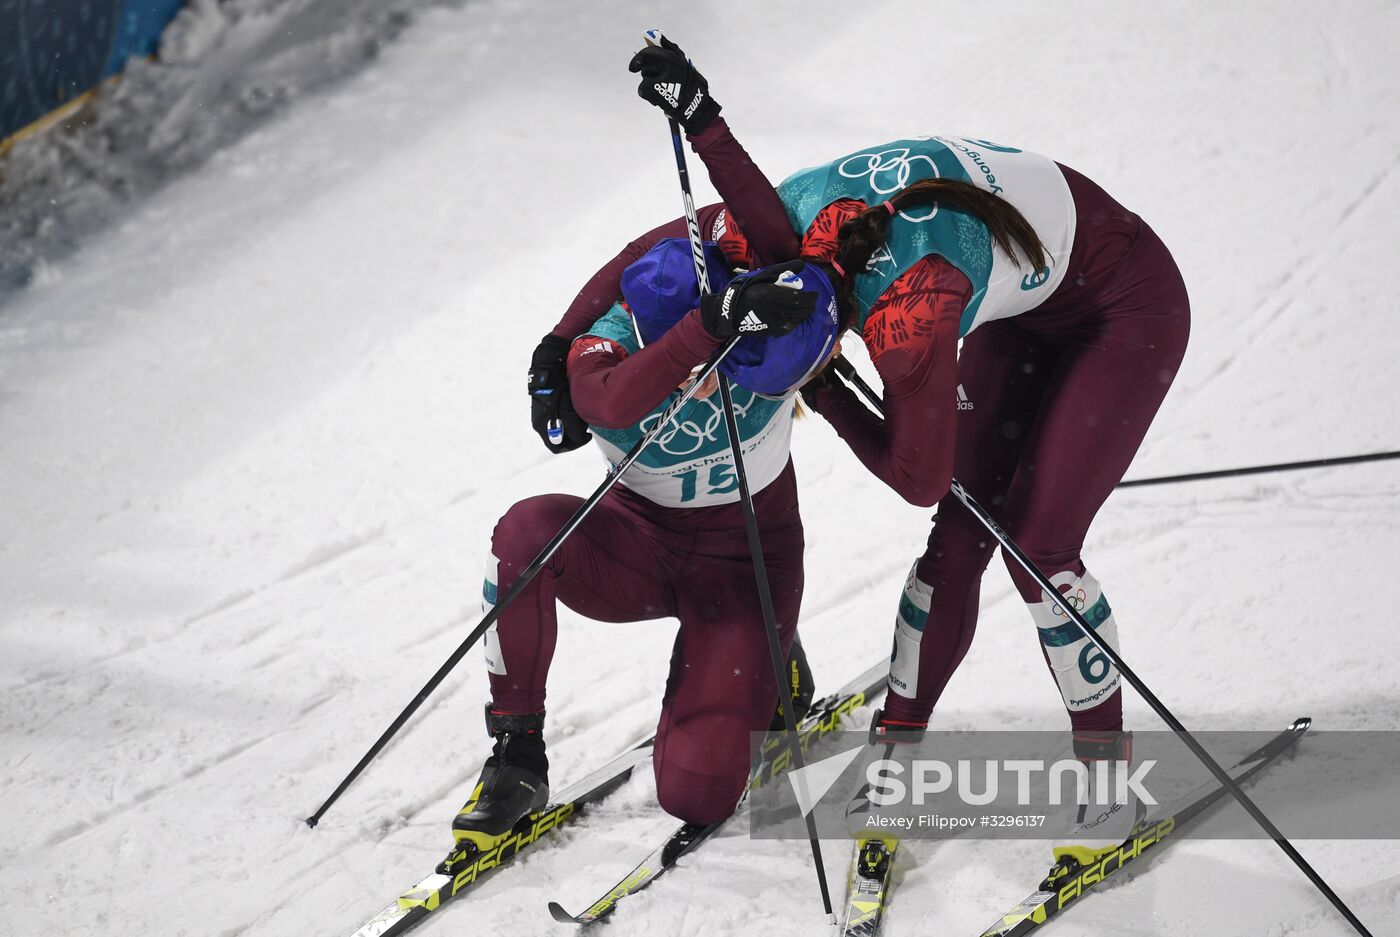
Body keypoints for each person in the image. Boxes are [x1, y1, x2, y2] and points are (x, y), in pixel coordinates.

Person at [629, 41, 1190, 841]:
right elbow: (748, 210)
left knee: (1038, 547)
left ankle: (1110, 787)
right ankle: (894, 760)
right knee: (956, 545)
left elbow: (917, 475)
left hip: (1129, 306)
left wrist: (829, 396)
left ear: (835, 344)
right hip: (1028, 302)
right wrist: (702, 118)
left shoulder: (908, 327)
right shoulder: (800, 224)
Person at [448, 177, 844, 857]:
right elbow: (609, 402)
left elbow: (718, 219)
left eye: (716, 357)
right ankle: (517, 756)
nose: (705, 377)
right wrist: (695, 335)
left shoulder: (763, 314)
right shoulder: (603, 346)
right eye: (688, 360)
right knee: (525, 534)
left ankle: (774, 659)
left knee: (692, 791)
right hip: (639, 543)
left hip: (746, 563)